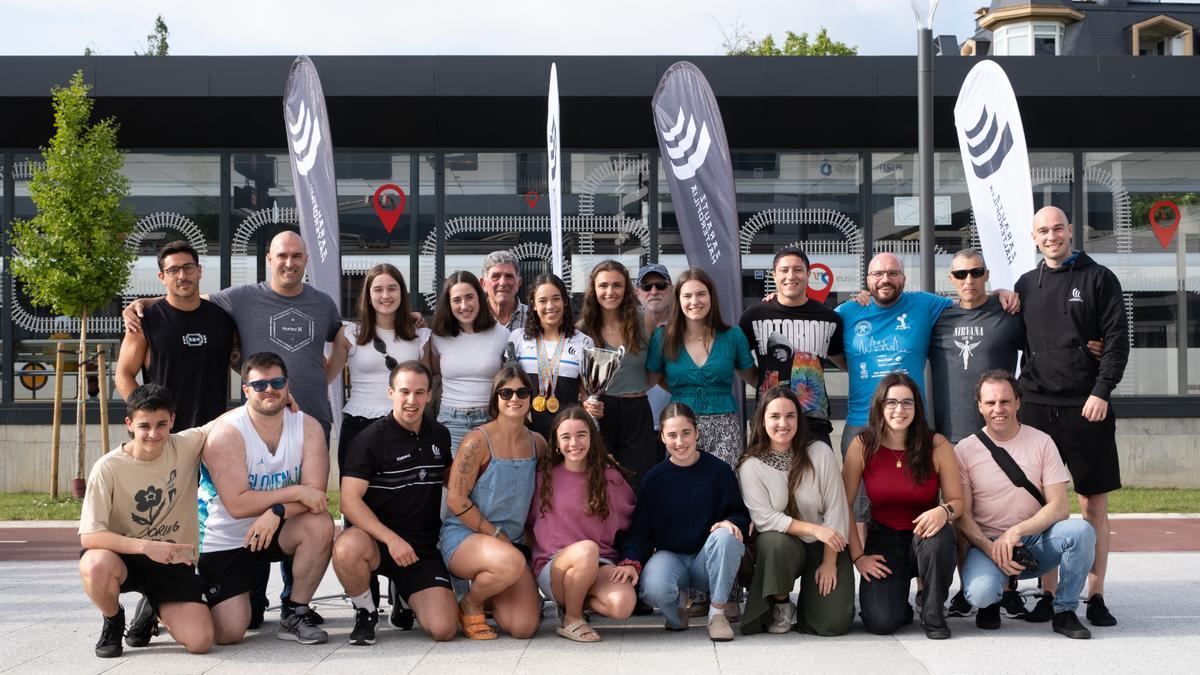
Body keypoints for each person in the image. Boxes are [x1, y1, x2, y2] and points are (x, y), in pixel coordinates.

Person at [125, 231, 342, 627]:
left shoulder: (319, 304)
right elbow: (183, 300)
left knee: (295, 514)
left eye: (297, 255)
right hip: (194, 433)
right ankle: (166, 599)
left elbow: (344, 337)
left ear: (306, 259)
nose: (289, 262)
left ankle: (293, 605)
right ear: (269, 259)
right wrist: (143, 304)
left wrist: (409, 321)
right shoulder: (236, 299)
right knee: (178, 517)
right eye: (282, 255)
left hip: (281, 423)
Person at [1014, 206, 1129, 627]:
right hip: (1037, 406)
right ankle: (1048, 594)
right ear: (1034, 237)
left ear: (1070, 231)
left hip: (1087, 405)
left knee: (1092, 503)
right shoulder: (1026, 285)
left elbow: (1117, 340)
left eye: (1057, 228)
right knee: (1045, 504)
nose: (1051, 236)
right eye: (1043, 231)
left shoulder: (1099, 278)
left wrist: (1101, 390)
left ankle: (1095, 595)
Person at [197, 352, 334, 645]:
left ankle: (296, 612)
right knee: (230, 633)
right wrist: (293, 493)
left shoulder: (308, 427)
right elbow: (237, 505)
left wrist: (278, 511)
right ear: (246, 390)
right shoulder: (227, 433)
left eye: (277, 382)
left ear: (287, 385)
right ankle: (169, 600)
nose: (269, 389)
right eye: (259, 385)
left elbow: (315, 496)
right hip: (226, 536)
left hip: (277, 527)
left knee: (320, 523)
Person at [954, 370, 1097, 639]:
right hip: (988, 544)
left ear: (1018, 403)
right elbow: (963, 515)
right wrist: (992, 548)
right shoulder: (964, 450)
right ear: (980, 406)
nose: (998, 409)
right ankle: (992, 601)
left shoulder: (1042, 442)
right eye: (991, 402)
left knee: (1082, 532)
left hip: (1034, 542)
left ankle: (1064, 610)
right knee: (981, 594)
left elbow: (1059, 507)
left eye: (1005, 401)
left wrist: (1016, 532)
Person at [78, 384, 215, 658]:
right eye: (144, 426)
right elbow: (90, 536)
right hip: (123, 558)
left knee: (201, 642)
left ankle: (153, 606)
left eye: (161, 424)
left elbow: (233, 418)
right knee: (94, 564)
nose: (154, 433)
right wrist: (146, 546)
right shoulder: (108, 467)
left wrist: (276, 396)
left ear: (172, 420)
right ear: (129, 424)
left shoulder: (186, 444)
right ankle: (113, 620)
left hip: (173, 561)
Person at [331, 361, 457, 646]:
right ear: (390, 393)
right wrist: (391, 540)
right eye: (404, 392)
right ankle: (366, 612)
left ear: (429, 395)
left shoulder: (440, 434)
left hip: (421, 549)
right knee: (346, 548)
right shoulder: (368, 440)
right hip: (378, 543)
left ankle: (403, 595)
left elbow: (451, 481)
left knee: (444, 629)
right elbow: (348, 503)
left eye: (419, 392)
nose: (412, 400)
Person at [614, 403, 750, 642]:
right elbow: (640, 532)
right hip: (671, 558)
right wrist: (631, 562)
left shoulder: (719, 472)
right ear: (662, 438)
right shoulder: (654, 480)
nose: (680, 442)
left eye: (686, 433)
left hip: (706, 560)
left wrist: (730, 521)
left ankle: (717, 614)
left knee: (726, 536)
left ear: (697, 432)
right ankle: (676, 611)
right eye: (672, 435)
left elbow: (740, 513)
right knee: (654, 588)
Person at [841, 373, 962, 639]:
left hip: (925, 533)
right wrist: (859, 557)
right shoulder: (862, 446)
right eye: (891, 402)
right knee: (880, 622)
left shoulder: (937, 445)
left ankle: (932, 613)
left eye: (907, 402)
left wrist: (944, 511)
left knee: (939, 540)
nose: (900, 409)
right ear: (880, 406)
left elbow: (958, 503)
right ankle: (899, 608)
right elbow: (843, 505)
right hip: (884, 539)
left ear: (917, 407)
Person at [737, 386, 853, 637]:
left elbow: (836, 507)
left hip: (825, 544)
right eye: (775, 416)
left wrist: (829, 562)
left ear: (799, 419)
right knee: (773, 543)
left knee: (832, 623)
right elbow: (764, 518)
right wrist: (815, 529)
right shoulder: (751, 465)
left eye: (790, 416)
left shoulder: (820, 452)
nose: (783, 423)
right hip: (785, 544)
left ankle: (812, 604)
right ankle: (781, 603)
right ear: (762, 420)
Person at [439, 365, 543, 640]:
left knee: (523, 626)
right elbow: (456, 499)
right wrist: (495, 534)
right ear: (495, 399)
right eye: (506, 393)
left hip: (511, 544)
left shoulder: (538, 443)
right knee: (511, 562)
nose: (514, 398)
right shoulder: (477, 441)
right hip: (466, 536)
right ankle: (471, 602)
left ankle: (489, 592)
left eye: (522, 392)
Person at [529, 407, 637, 642]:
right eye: (566, 437)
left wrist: (630, 562)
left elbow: (634, 525)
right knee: (587, 549)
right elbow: (527, 524)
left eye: (581, 435)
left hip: (600, 563)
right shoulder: (543, 477)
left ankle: (571, 603)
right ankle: (572, 618)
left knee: (623, 605)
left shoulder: (610, 477)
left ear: (591, 437)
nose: (574, 443)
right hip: (555, 567)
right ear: (557, 443)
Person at [116, 240, 237, 431]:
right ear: (162, 277)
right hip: (165, 435)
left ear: (199, 271)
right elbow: (124, 374)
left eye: (188, 268)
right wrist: (145, 415)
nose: (182, 276)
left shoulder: (223, 319)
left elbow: (243, 364)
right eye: (173, 270)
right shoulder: (144, 321)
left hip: (212, 433)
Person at [326, 263, 430, 473]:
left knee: (403, 490)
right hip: (359, 426)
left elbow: (427, 386)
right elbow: (325, 376)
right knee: (355, 490)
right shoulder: (349, 334)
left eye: (392, 288)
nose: (385, 295)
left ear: (402, 293)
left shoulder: (420, 336)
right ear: (368, 295)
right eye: (378, 289)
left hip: (407, 425)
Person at [647, 267, 756, 468]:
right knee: (683, 484)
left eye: (701, 294)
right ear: (678, 300)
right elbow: (648, 380)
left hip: (724, 429)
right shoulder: (662, 337)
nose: (694, 301)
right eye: (687, 296)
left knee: (722, 483)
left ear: (711, 297)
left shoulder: (733, 336)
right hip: (680, 428)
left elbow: (755, 379)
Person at [738, 247, 846, 448]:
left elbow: (844, 360)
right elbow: (738, 359)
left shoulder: (829, 319)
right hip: (769, 419)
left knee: (819, 469)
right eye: (784, 270)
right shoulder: (753, 316)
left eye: (798, 269)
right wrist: (761, 381)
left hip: (814, 420)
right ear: (774, 275)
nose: (791, 276)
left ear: (808, 274)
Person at [578, 259, 659, 486]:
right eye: (603, 285)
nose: (610, 291)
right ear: (594, 290)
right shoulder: (582, 330)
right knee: (603, 484)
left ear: (627, 289)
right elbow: (579, 380)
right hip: (601, 412)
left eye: (617, 285)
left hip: (637, 412)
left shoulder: (646, 321)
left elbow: (655, 369)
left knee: (639, 484)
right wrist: (586, 402)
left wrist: (636, 387)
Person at [429, 270, 510, 455]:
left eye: (469, 297)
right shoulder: (438, 337)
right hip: (450, 421)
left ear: (480, 298)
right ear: (448, 304)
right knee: (453, 474)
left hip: (490, 420)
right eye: (456, 300)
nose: (464, 305)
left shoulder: (502, 335)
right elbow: (433, 373)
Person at [509, 273, 597, 439]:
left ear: (565, 301)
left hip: (566, 434)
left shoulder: (583, 342)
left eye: (556, 299)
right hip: (525, 431)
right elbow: (508, 382)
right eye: (542, 301)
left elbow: (587, 392)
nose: (550, 306)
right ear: (534, 305)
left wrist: (592, 406)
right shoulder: (518, 338)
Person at [635, 263, 674, 462]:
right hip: (637, 426)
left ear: (671, 289)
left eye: (660, 285)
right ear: (637, 293)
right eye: (646, 286)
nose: (653, 291)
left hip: (677, 425)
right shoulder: (627, 329)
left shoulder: (685, 327)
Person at [481, 250, 529, 331]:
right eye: (496, 276)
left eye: (509, 276)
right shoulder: (474, 318)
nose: (502, 283)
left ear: (519, 283)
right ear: (484, 284)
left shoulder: (534, 318)